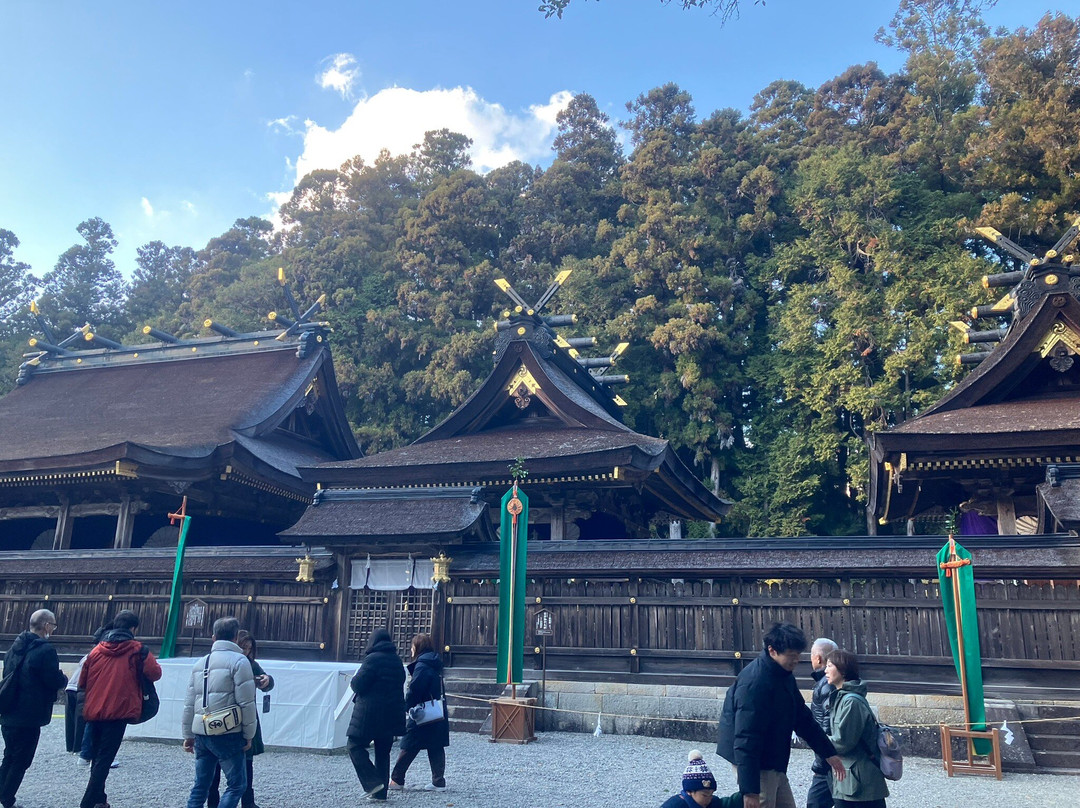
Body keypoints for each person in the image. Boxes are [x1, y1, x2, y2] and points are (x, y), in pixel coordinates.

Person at [716, 622, 845, 808]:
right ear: (772, 650)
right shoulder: (754, 683)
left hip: (774, 759)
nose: (796, 661)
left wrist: (828, 753)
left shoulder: (783, 674)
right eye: (791, 656)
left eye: (798, 655)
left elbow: (802, 718)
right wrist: (750, 791)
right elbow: (745, 739)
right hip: (757, 763)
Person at [79, 609, 161, 808]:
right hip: (119, 709)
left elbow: (83, 681)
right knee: (105, 758)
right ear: (133, 628)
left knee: (99, 755)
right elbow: (155, 673)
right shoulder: (138, 650)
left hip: (95, 709)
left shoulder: (96, 650)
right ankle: (88, 802)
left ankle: (100, 799)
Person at [182, 616, 257, 808]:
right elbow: (246, 702)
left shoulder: (201, 662)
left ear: (213, 637)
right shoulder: (240, 661)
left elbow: (190, 702)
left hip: (201, 731)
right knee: (236, 785)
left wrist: (187, 735)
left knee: (200, 787)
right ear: (235, 637)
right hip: (227, 731)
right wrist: (249, 734)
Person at [0, 609, 67, 808]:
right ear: (46, 625)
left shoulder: (14, 647)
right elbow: (51, 680)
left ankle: (3, 792)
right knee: (22, 759)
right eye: (53, 625)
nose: (53, 630)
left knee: (10, 754)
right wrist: (62, 678)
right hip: (29, 713)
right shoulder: (45, 650)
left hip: (9, 708)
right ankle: (7, 798)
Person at [207, 630, 274, 808]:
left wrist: (267, 680)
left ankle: (248, 802)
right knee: (217, 765)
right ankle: (213, 801)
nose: (246, 651)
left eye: (249, 648)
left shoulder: (251, 664)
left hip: (246, 716)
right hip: (224, 715)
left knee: (247, 763)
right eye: (243, 647)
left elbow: (267, 683)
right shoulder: (225, 662)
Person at [825, 649, 889, 808]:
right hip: (849, 778)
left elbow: (843, 742)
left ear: (843, 669)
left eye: (829, 665)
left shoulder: (851, 702)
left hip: (860, 782)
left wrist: (817, 739)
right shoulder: (842, 698)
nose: (825, 670)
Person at [347, 628, 406, 801]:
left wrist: (352, 679)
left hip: (369, 713)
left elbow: (358, 685)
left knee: (354, 745)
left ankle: (372, 782)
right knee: (383, 752)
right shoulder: (396, 660)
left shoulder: (372, 659)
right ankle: (380, 794)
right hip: (391, 713)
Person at [389, 633, 449, 792]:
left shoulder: (422, 665)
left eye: (412, 646)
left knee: (409, 744)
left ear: (417, 647)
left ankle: (397, 779)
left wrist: (407, 706)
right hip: (435, 709)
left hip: (421, 711)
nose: (410, 649)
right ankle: (438, 781)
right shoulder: (434, 662)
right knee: (435, 745)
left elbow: (415, 689)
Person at [806, 637, 838, 808]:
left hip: (828, 759)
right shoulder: (828, 682)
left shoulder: (826, 684)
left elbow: (827, 725)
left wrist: (823, 758)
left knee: (815, 803)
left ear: (818, 658)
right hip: (829, 756)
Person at [659, 750, 742, 808]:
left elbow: (731, 802)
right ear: (689, 792)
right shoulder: (675, 805)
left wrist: (749, 792)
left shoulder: (713, 803)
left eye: (711, 794)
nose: (708, 799)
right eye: (704, 795)